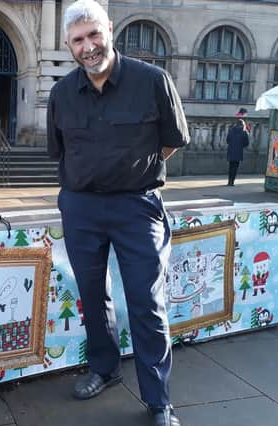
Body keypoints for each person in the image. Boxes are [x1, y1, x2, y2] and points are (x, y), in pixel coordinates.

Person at [46, 1, 189, 425]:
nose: (88, 46)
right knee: (92, 295)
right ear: (68, 46)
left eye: (93, 35)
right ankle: (104, 369)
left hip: (136, 207)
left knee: (147, 302)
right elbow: (60, 152)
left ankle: (159, 400)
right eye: (78, 40)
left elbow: (172, 141)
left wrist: (136, 171)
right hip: (81, 208)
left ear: (109, 29)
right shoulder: (60, 94)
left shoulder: (153, 81)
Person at [226, 119, 250, 186]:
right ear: (242, 125)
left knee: (230, 167)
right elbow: (246, 143)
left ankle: (229, 181)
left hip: (231, 151)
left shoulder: (231, 130)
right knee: (235, 167)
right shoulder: (244, 132)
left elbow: (227, 140)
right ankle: (232, 182)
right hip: (238, 151)